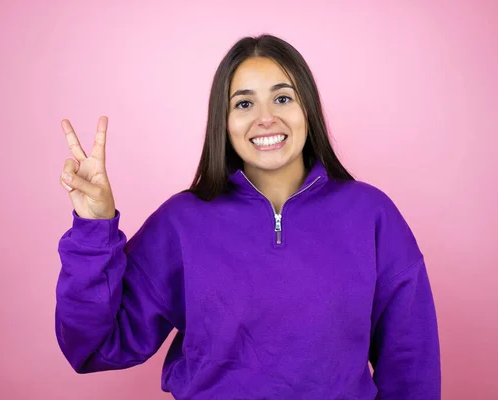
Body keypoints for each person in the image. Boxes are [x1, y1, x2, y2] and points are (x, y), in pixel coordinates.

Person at [56, 34, 441, 399]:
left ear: (308, 108)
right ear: (223, 122)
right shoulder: (181, 222)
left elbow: (410, 366)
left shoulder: (372, 215)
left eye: (283, 98)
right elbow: (95, 346)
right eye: (243, 104)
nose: (265, 118)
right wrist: (93, 229)